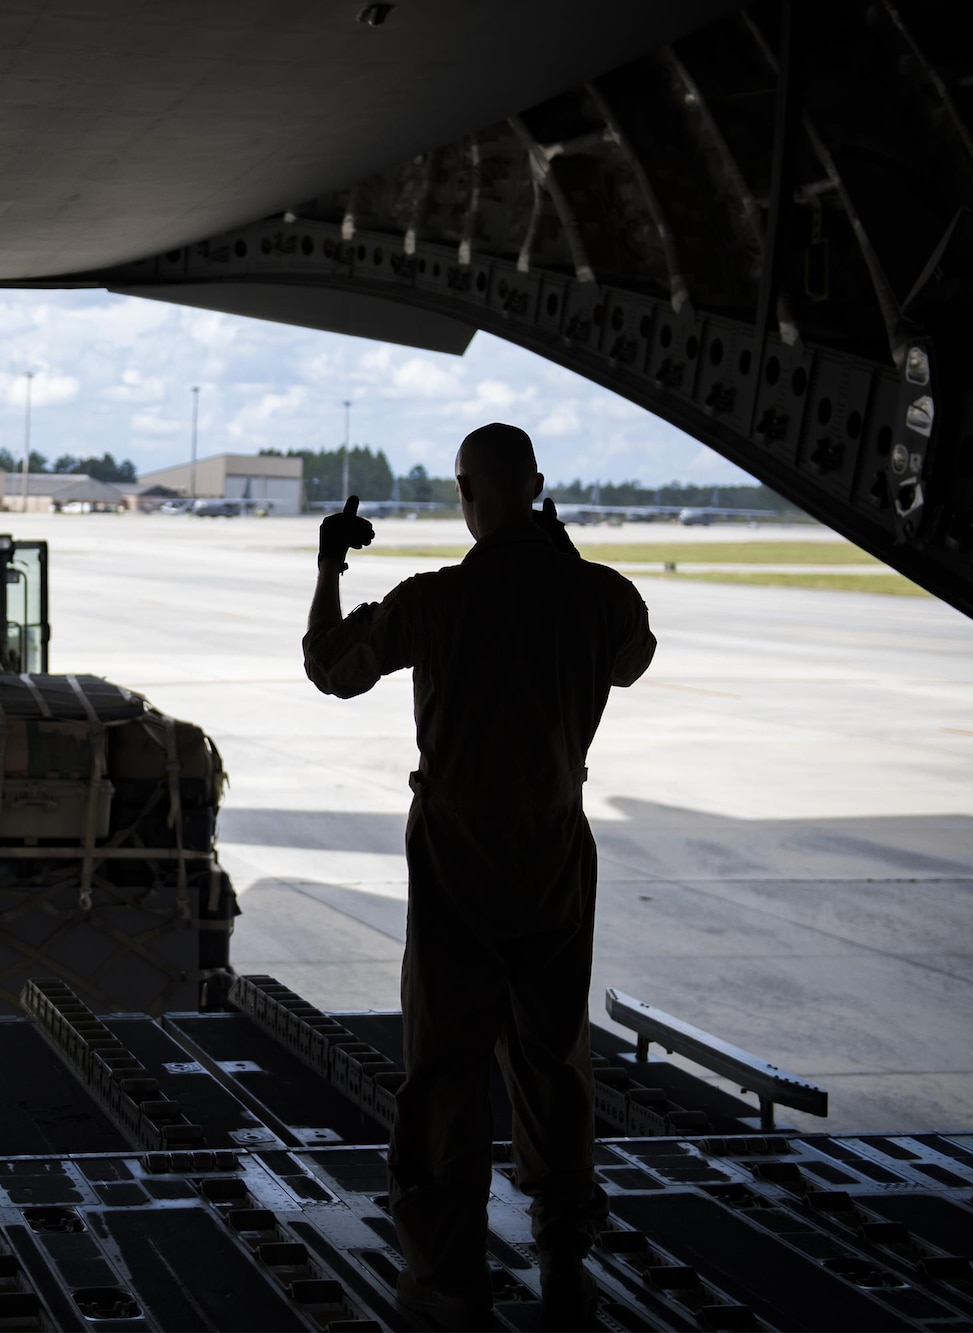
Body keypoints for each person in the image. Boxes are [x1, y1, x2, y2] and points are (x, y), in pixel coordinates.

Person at [302, 423, 655, 1330]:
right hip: (552, 854)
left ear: (467, 494)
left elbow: (330, 667)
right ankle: (565, 1256)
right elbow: (632, 654)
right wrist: (569, 561)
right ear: (536, 487)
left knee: (446, 1069)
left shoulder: (436, 602)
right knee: (552, 1058)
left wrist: (330, 565)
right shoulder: (600, 598)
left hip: (457, 860)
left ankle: (446, 1282)